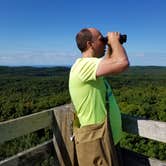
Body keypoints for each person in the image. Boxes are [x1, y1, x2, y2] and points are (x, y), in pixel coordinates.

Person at [69, 27, 129, 166]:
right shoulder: (84, 65)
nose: (104, 41)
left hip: (106, 138)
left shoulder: (89, 66)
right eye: (101, 39)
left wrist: (109, 46)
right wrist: (114, 42)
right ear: (90, 44)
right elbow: (122, 63)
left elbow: (108, 63)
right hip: (98, 141)